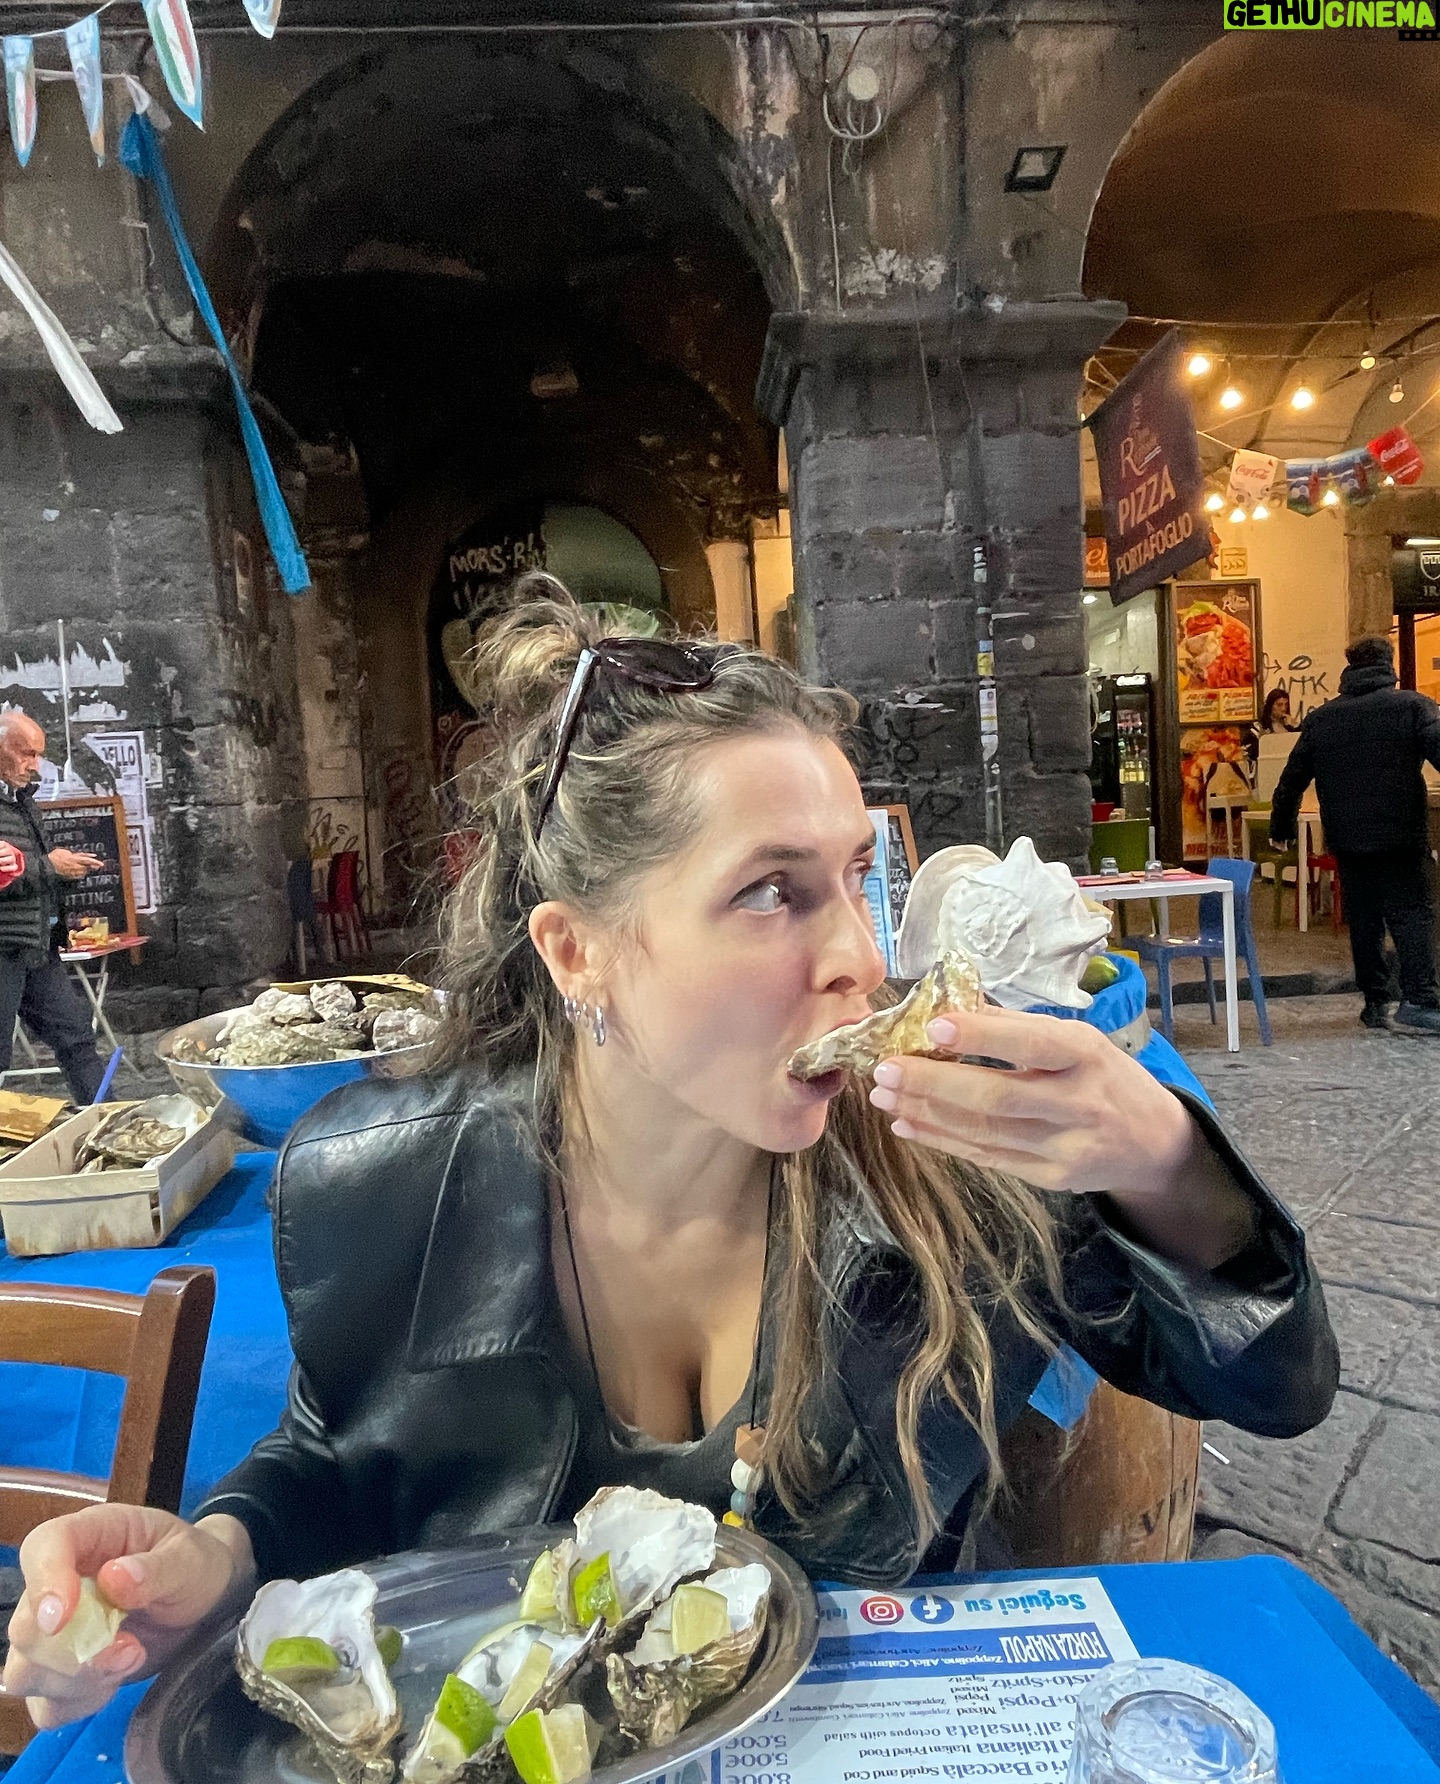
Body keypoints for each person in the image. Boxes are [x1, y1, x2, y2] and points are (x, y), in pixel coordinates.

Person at [4, 580, 1338, 1731]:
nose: (860, 959)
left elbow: (1281, 1388)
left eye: (856, 878)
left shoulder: (952, 1172)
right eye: (771, 893)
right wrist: (219, 1557)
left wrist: (1165, 1162)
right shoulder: (380, 1181)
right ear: (576, 951)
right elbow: (338, 1455)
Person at [1271, 636, 1440, 1034]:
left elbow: (1292, 779)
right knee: (1412, 916)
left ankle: (1375, 1002)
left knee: (1364, 921)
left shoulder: (1322, 719)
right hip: (1401, 834)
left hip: (1347, 839)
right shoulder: (1414, 706)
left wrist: (1281, 827)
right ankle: (1419, 1000)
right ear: (1388, 664)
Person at [0, 712, 107, 1104]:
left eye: (38, 755)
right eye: (26, 753)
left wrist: (63, 872)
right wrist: (49, 867)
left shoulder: (23, 803)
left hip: (37, 946)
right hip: (4, 947)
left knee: (76, 1036)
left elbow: (27, 870)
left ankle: (106, 1119)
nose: (35, 764)